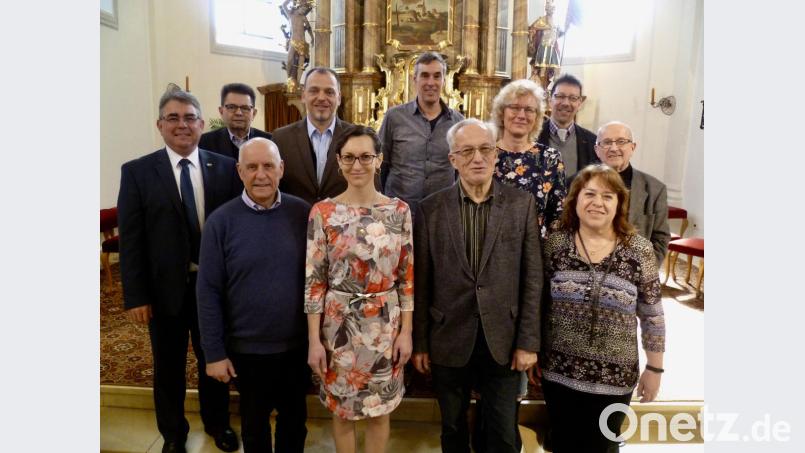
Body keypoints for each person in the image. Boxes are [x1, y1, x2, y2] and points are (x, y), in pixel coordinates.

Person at [117, 88, 242, 453]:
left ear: (202, 124)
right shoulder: (138, 172)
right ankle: (173, 433)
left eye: (189, 117)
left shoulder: (224, 168)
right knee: (168, 365)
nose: (182, 125)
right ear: (160, 125)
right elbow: (132, 241)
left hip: (213, 289)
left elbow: (234, 231)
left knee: (214, 358)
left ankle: (218, 424)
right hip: (163, 290)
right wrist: (136, 296)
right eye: (173, 118)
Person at [413, 119, 542, 453]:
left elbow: (532, 277)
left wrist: (528, 341)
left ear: (496, 154)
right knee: (453, 429)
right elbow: (422, 281)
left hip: (503, 339)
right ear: (452, 159)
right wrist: (421, 342)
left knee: (502, 433)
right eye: (466, 151)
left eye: (485, 149)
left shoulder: (520, 204)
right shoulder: (430, 209)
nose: (477, 158)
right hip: (448, 337)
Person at [538, 164, 666, 452]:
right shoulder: (554, 244)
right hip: (559, 372)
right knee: (562, 444)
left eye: (608, 196)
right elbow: (537, 303)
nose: (597, 203)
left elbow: (653, 314)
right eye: (590, 194)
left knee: (603, 446)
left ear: (619, 204)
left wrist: (655, 368)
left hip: (614, 376)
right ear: (575, 199)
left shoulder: (639, 250)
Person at [197, 138, 311, 453]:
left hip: (295, 347)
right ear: (239, 171)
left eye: (268, 166)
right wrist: (214, 353)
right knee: (254, 426)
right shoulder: (220, 222)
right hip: (246, 351)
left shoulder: (303, 214)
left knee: (294, 423)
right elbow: (207, 291)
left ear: (281, 169)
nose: (261, 175)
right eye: (252, 167)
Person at [304, 126, 414, 453]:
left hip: (385, 325)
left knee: (379, 412)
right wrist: (314, 341)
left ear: (379, 160)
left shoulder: (399, 211)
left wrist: (406, 332)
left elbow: (407, 277)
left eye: (366, 156)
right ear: (338, 161)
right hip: (338, 328)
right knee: (343, 414)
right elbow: (314, 283)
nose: (357, 165)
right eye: (349, 157)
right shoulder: (323, 213)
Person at [379, 51, 465, 215]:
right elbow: (381, 164)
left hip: (441, 212)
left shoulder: (458, 122)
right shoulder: (394, 117)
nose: (431, 82)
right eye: (424, 76)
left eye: (436, 76)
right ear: (414, 79)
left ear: (444, 80)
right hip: (398, 212)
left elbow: (461, 171)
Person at [491, 78, 567, 239]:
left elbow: (557, 217)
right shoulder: (486, 155)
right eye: (514, 108)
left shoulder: (550, 159)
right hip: (490, 249)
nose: (521, 115)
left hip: (534, 250)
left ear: (537, 116)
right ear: (501, 112)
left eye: (529, 110)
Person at [272, 67, 357, 205]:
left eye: (329, 92)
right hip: (296, 222)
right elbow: (274, 188)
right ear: (303, 96)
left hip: (345, 223)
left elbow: (370, 187)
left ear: (339, 98)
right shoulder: (281, 138)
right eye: (314, 91)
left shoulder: (357, 137)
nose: (322, 98)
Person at [594, 121, 670, 263]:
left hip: (633, 273)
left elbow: (661, 238)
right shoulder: (577, 184)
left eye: (621, 141)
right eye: (607, 142)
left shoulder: (655, 189)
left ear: (633, 147)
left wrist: (643, 272)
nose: (614, 148)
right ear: (597, 149)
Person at [537, 73, 599, 177]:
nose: (566, 103)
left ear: (579, 103)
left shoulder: (592, 142)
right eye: (560, 96)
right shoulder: (532, 136)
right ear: (549, 100)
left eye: (573, 98)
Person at [199, 83, 272, 161]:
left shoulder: (269, 141)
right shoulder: (204, 143)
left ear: (254, 113)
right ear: (221, 111)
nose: (238, 113)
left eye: (245, 108)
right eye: (232, 107)